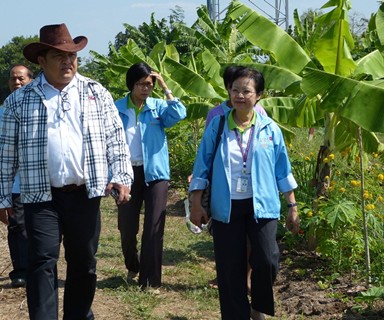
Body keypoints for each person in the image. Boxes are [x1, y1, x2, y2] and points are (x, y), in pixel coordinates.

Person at [0, 23, 133, 320]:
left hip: (85, 193)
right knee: (42, 261)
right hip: (41, 196)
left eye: (72, 56)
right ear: (42, 62)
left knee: (84, 262)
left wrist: (120, 176)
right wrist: (2, 197)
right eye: (59, 56)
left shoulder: (96, 93)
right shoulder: (19, 100)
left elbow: (116, 139)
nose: (68, 62)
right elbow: (5, 154)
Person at [189, 67, 299, 320]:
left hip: (263, 206)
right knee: (230, 268)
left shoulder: (270, 129)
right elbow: (202, 166)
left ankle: (258, 306)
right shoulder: (217, 126)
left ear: (259, 95)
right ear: (228, 91)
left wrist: (292, 206)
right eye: (234, 89)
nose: (239, 95)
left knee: (267, 259)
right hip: (226, 207)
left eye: (246, 91)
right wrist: (197, 203)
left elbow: (283, 170)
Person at [114, 62, 186, 289]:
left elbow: (179, 113)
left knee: (154, 225)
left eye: (149, 84)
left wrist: (165, 86)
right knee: (127, 227)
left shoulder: (158, 107)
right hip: (126, 173)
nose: (145, 89)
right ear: (131, 84)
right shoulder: (117, 108)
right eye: (140, 84)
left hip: (155, 173)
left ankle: (150, 278)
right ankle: (133, 264)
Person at [0, 64, 34, 288]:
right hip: (14, 181)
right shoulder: (1, 112)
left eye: (21, 79)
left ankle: (38, 265)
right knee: (16, 225)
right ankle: (20, 272)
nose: (17, 82)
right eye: (13, 79)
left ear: (31, 81)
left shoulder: (40, 107)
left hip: (39, 178)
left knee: (39, 226)